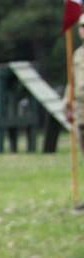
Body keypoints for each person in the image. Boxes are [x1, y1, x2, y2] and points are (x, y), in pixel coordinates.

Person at [64, 16, 84, 155]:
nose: (83, 30)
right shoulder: (77, 54)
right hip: (81, 109)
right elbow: (72, 81)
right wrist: (67, 104)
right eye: (81, 27)